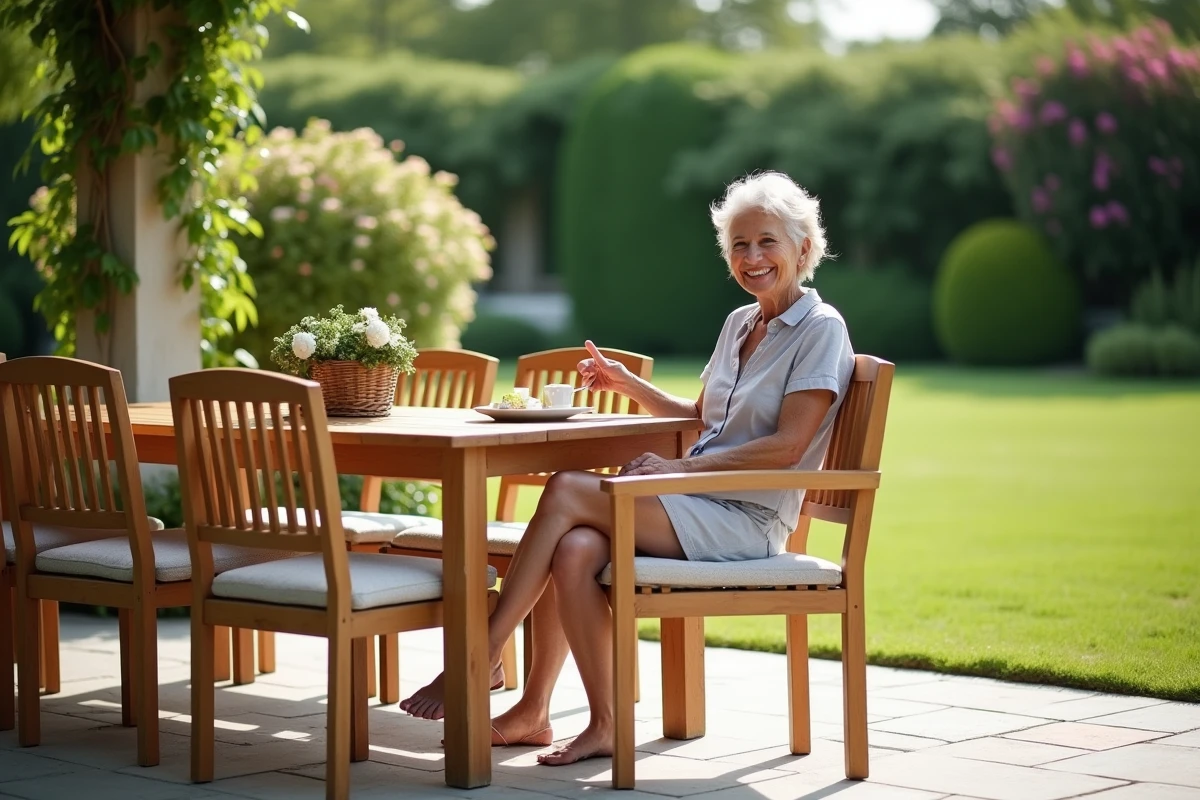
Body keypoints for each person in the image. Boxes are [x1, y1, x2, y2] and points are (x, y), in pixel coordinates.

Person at [400, 171, 855, 766]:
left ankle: (479, 655)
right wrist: (626, 383)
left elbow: (788, 447)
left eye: (767, 241)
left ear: (803, 246)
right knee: (577, 548)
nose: (752, 257)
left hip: (746, 518)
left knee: (567, 490)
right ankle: (567, 718)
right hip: (700, 504)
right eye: (739, 245)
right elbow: (701, 417)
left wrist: (675, 471)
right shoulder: (741, 324)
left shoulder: (821, 329)